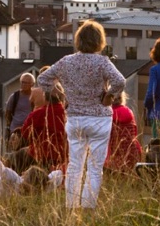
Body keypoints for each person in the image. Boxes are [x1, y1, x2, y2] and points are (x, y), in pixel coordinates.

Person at [38, 20, 125, 209]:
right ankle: (87, 206)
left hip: (75, 118)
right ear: (99, 41)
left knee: (74, 165)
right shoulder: (102, 62)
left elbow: (43, 78)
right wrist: (109, 95)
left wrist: (61, 95)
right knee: (95, 168)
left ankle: (71, 205)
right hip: (99, 119)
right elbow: (120, 81)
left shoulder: (66, 61)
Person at [21, 83, 68, 172]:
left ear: (44, 96)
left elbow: (25, 135)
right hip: (64, 158)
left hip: (39, 157)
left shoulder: (37, 114)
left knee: (18, 156)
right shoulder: (68, 115)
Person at [106, 93, 142, 174]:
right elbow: (135, 134)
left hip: (115, 157)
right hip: (133, 154)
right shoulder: (129, 112)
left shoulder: (107, 115)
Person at [5, 73, 36, 151]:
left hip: (29, 130)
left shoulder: (35, 96)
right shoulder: (15, 96)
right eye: (22, 82)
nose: (23, 84)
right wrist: (9, 127)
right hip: (15, 130)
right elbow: (8, 113)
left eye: (26, 82)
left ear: (32, 84)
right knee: (15, 153)